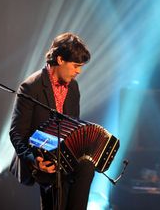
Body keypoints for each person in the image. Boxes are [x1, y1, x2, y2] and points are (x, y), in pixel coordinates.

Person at [9, 32, 95, 210]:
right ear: (60, 59)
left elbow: (73, 126)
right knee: (58, 181)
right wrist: (34, 160)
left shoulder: (73, 86)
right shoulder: (30, 86)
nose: (79, 71)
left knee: (87, 165)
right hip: (39, 157)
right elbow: (17, 133)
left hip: (64, 155)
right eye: (76, 65)